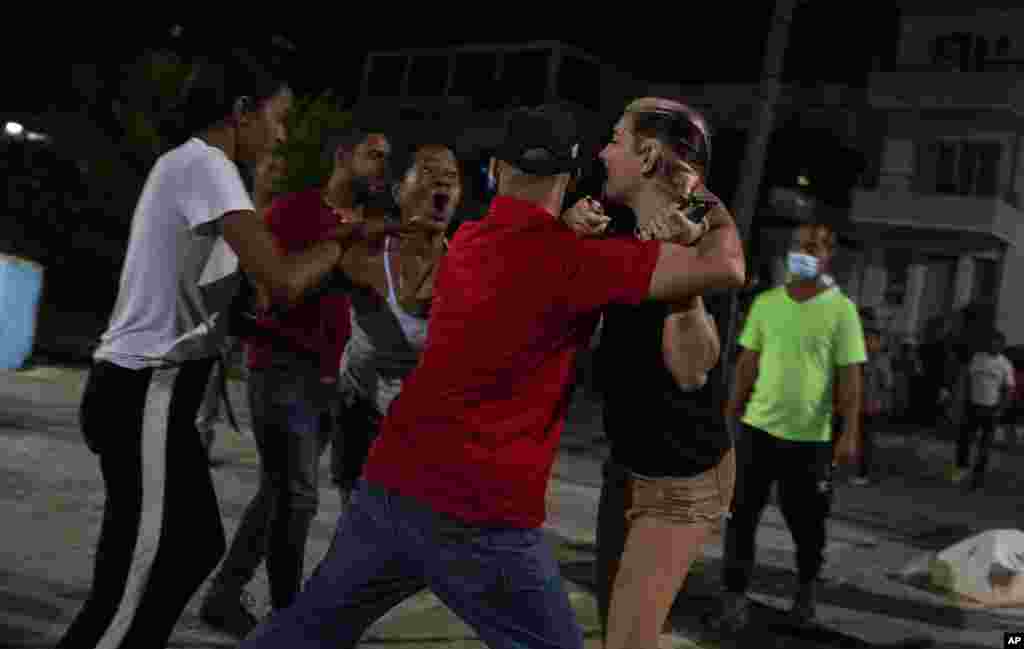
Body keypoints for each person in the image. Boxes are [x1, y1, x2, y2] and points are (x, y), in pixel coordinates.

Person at [238, 103, 744, 649]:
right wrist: (703, 200)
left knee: (304, 633)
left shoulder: (469, 242)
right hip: (484, 515)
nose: (605, 152)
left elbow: (525, 265)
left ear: (495, 171)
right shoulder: (581, 261)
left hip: (392, 489)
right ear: (570, 176)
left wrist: (574, 229)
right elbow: (726, 266)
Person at [57, 49, 391, 649]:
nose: (281, 134)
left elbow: (249, 296)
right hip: (146, 389)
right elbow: (282, 282)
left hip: (157, 394)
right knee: (134, 578)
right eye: (277, 118)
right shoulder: (206, 165)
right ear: (242, 112)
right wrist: (342, 240)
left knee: (194, 545)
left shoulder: (200, 170)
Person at [199, 127, 397, 636]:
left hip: (332, 379)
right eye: (372, 155)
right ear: (343, 155)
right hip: (282, 368)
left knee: (279, 494)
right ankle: (290, 622)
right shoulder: (295, 212)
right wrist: (330, 256)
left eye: (386, 158)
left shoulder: (372, 228)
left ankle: (224, 593)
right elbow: (265, 290)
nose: (381, 166)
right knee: (300, 496)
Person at [561, 97, 741, 649]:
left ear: (646, 156)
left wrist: (681, 277)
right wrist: (569, 229)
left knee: (626, 639)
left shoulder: (701, 240)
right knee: (615, 627)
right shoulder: (618, 222)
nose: (602, 152)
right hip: (627, 465)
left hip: (680, 480)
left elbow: (690, 371)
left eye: (615, 139)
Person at [712, 221, 866, 633]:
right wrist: (729, 414)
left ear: (828, 256)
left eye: (813, 247)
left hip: (810, 441)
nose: (803, 254)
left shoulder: (842, 311)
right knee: (741, 517)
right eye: (798, 246)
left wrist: (850, 432)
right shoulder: (767, 303)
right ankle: (733, 600)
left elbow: (850, 378)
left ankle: (805, 595)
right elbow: (747, 365)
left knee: (808, 526)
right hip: (757, 431)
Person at [332, 139, 464, 494]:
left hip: (421, 434)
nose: (442, 182)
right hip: (360, 420)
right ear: (397, 190)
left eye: (451, 177)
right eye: (428, 172)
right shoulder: (366, 255)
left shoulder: (465, 270)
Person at [954, 329, 1014, 490]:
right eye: (991, 343)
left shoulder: (1005, 364)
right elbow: (967, 378)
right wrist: (962, 399)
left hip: (991, 409)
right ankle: (961, 468)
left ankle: (978, 477)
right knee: (964, 440)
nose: (993, 346)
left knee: (985, 446)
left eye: (997, 344)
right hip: (972, 406)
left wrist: (1001, 409)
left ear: (1002, 346)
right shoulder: (977, 358)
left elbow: (1009, 389)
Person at [851, 323, 893, 486]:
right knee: (861, 439)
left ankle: (864, 473)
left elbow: (887, 383)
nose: (867, 342)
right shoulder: (860, 357)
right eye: (865, 339)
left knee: (866, 440)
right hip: (858, 403)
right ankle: (861, 470)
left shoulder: (880, 360)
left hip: (871, 405)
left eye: (871, 339)